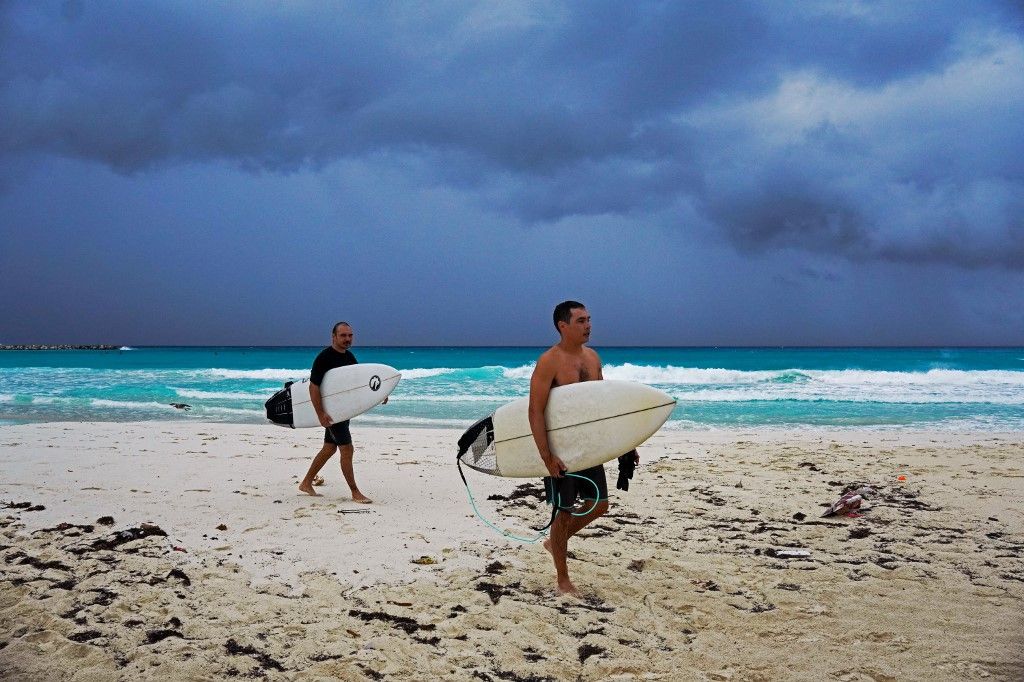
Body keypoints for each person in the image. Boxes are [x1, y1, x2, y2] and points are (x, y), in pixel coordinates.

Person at [528, 300, 638, 595]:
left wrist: (624, 445)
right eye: (580, 321)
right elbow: (535, 411)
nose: (588, 325)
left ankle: (555, 541)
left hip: (588, 446)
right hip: (562, 451)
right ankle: (563, 579)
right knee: (563, 514)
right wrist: (547, 456)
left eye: (589, 319)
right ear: (563, 326)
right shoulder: (549, 361)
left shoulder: (592, 358)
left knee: (599, 505)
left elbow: (601, 406)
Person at [298, 321, 385, 502]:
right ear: (334, 337)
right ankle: (355, 492)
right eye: (343, 335)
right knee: (347, 449)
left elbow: (359, 384)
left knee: (329, 448)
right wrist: (320, 413)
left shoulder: (349, 358)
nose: (347, 339)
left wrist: (379, 395)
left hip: (342, 411)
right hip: (331, 413)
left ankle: (306, 482)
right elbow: (313, 387)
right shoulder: (324, 358)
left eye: (350, 335)